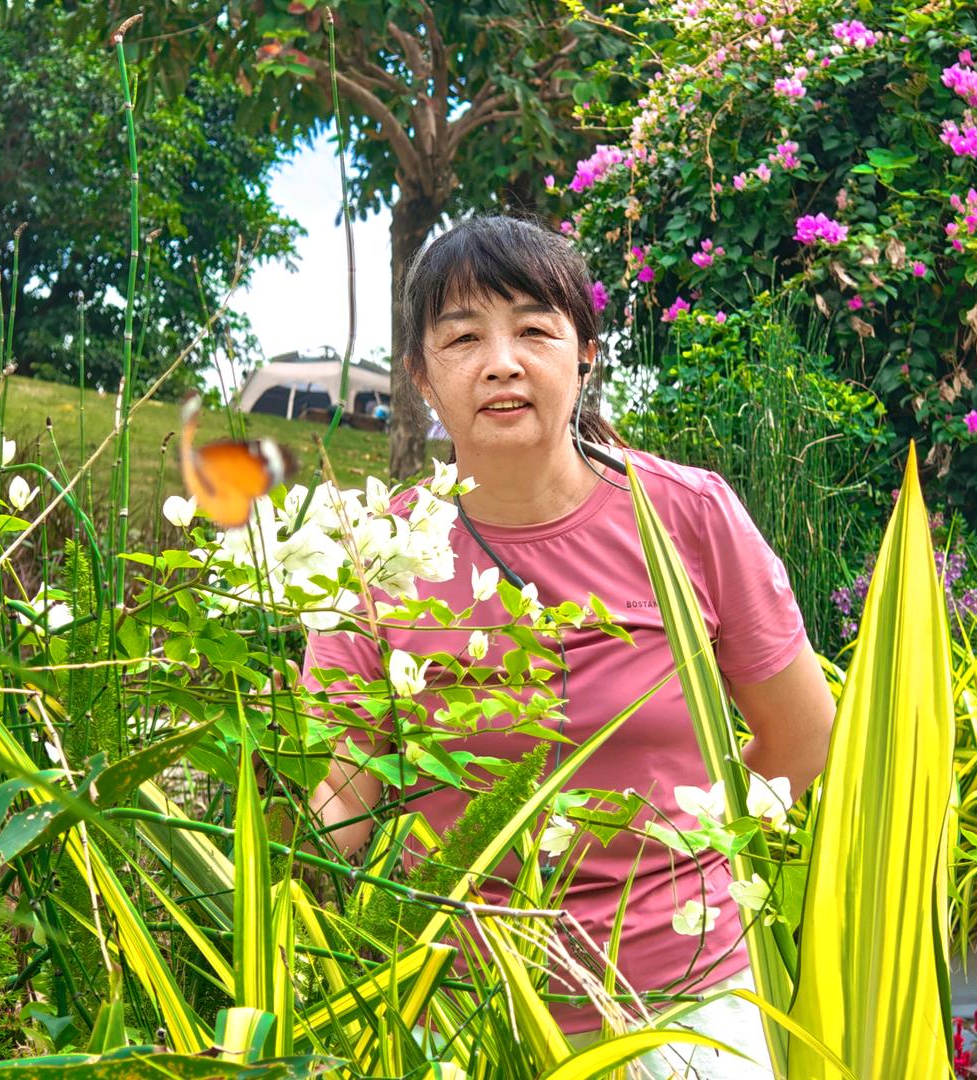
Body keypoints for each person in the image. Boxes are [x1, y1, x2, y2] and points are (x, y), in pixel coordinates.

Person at [301, 215, 835, 1076]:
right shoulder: (373, 556)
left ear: (585, 353)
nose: (502, 361)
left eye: (535, 330)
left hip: (683, 1010)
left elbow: (801, 735)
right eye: (464, 336)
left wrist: (697, 860)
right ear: (421, 377)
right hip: (460, 1011)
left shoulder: (687, 517)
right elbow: (344, 797)